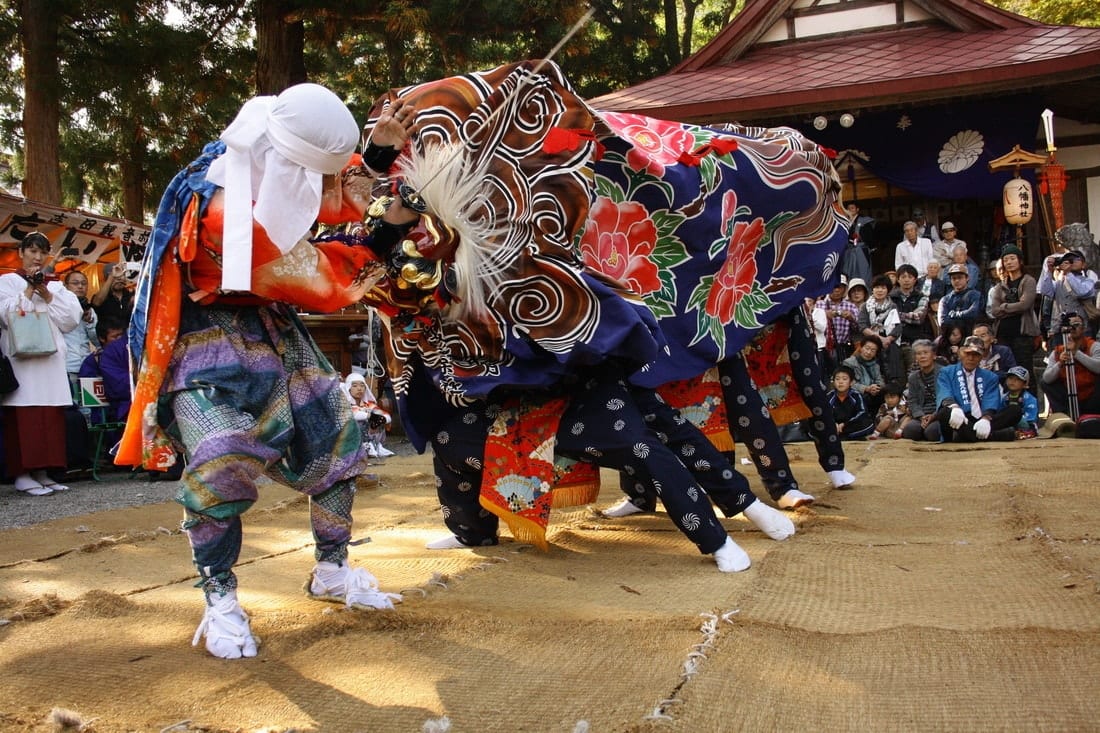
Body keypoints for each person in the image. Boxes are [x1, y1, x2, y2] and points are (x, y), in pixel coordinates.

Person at [115, 84, 419, 659]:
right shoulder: (226, 218)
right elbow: (327, 282)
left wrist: (376, 158)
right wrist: (388, 227)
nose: (332, 187)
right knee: (220, 456)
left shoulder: (253, 147)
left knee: (337, 434)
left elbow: (319, 190)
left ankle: (331, 570)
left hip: (270, 327)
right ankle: (220, 599)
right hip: (207, 337)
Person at [0, 232, 83, 495]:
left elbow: (71, 319)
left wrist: (45, 291)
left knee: (50, 419)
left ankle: (44, 472)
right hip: (22, 361)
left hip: (51, 361)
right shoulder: (7, 281)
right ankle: (22, 474)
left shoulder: (56, 286)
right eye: (32, 251)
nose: (37, 257)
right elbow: (6, 315)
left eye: (42, 252)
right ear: (21, 252)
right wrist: (28, 288)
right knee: (23, 418)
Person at [935, 336, 1021, 443]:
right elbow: (944, 391)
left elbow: (991, 399)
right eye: (968, 353)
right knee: (944, 413)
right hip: (960, 417)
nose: (971, 358)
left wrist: (986, 418)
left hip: (982, 417)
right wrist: (954, 407)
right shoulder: (946, 372)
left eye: (975, 355)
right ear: (960, 352)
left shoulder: (990, 376)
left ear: (981, 357)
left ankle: (972, 435)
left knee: (1015, 410)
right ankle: (993, 436)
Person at [989, 244, 1038, 381]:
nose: (1009, 262)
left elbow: (1025, 305)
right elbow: (994, 310)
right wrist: (1011, 307)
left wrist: (1004, 307)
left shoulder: (1028, 281)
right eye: (1006, 260)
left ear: (1020, 261)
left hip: (1022, 334)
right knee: (1006, 372)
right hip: (1003, 335)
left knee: (1024, 371)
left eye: (1012, 258)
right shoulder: (1001, 285)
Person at [1040, 311, 1100, 417]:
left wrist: (1076, 353)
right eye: (1069, 326)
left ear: (1084, 328)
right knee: (1045, 383)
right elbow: (1046, 379)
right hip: (1069, 396)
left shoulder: (1094, 346)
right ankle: (1063, 416)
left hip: (1092, 396)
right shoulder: (1058, 351)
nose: (1072, 328)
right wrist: (1060, 363)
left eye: (1076, 325)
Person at [1037, 249, 1099, 342]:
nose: (1072, 261)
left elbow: (1081, 292)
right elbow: (1044, 290)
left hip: (1083, 329)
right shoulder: (1058, 283)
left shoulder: (1088, 281)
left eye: (1076, 259)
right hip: (1061, 329)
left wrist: (1068, 273)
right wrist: (1048, 270)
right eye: (1069, 259)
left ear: (1083, 264)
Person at [858, 274, 902, 385]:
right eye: (877, 287)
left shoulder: (893, 306)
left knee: (893, 348)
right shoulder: (865, 306)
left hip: (888, 339)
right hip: (871, 338)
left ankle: (894, 382)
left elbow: (898, 327)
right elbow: (862, 326)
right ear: (872, 289)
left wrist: (888, 339)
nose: (880, 290)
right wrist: (879, 339)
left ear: (888, 290)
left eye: (883, 288)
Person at [61, 270, 100, 395]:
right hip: (65, 366)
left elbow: (96, 341)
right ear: (65, 286)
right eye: (75, 283)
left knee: (88, 407)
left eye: (84, 283)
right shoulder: (58, 307)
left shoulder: (89, 310)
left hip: (86, 365)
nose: (80, 286)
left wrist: (89, 323)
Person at [891, 264, 931, 373]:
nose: (906, 280)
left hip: (915, 341)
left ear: (915, 279)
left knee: (914, 373)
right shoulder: (890, 297)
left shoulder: (922, 297)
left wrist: (896, 315)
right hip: (893, 342)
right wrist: (906, 315)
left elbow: (918, 317)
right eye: (903, 277)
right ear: (898, 279)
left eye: (910, 277)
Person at [343, 372, 393, 458]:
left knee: (379, 420)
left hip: (370, 433)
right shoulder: (345, 404)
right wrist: (371, 416)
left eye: (362, 386)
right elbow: (354, 414)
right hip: (351, 438)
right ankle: (364, 447)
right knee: (361, 421)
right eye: (355, 386)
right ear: (348, 388)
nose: (359, 389)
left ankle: (376, 445)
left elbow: (386, 416)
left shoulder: (368, 404)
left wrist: (380, 419)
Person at [814, 277, 859, 373]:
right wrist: (824, 315)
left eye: (840, 287)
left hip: (843, 347)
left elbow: (858, 329)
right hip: (823, 347)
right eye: (834, 287)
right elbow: (811, 323)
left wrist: (851, 318)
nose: (837, 290)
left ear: (844, 289)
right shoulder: (819, 304)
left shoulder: (851, 306)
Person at [902, 339, 942, 441]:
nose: (922, 356)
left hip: (939, 414)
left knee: (932, 432)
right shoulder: (913, 377)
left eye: (925, 353)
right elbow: (912, 400)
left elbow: (947, 399)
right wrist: (921, 416)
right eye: (919, 354)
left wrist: (933, 416)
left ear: (933, 355)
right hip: (922, 414)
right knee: (909, 430)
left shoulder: (944, 373)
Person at [826, 365, 874, 440]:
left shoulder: (856, 395)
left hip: (849, 425)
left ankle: (843, 436)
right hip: (833, 426)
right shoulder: (829, 396)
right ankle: (844, 436)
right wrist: (833, 424)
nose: (840, 382)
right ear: (834, 382)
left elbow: (862, 412)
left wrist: (845, 424)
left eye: (844, 379)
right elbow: (825, 414)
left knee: (869, 425)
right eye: (837, 379)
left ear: (851, 382)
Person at [842, 334, 886, 414]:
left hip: (872, 394)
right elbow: (849, 384)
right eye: (867, 348)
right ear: (861, 348)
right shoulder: (849, 363)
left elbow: (880, 380)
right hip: (856, 394)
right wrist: (866, 388)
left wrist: (876, 388)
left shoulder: (876, 365)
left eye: (873, 350)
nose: (868, 352)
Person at [939, 263, 981, 334]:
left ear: (967, 278)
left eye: (960, 277)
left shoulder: (975, 295)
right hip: (951, 336)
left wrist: (955, 315)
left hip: (971, 334)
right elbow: (943, 322)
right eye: (954, 278)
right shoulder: (945, 299)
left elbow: (973, 313)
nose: (957, 281)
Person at [841, 201, 874, 285]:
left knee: (863, 272)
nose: (850, 210)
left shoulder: (864, 221)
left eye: (852, 208)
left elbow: (870, 238)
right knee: (848, 273)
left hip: (861, 251)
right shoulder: (843, 221)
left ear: (857, 209)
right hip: (848, 252)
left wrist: (861, 238)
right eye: (848, 209)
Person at [1002, 366, 1038, 439]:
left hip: (1026, 423)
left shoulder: (1030, 398)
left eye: (1017, 379)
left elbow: (1031, 417)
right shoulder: (1004, 397)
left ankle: (1024, 433)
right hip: (1009, 423)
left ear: (1025, 384)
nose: (1012, 381)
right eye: (1010, 378)